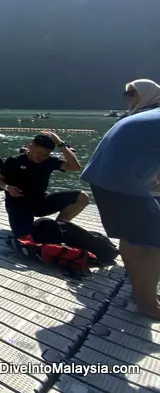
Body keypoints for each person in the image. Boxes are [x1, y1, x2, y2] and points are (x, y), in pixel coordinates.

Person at [80, 106, 160, 317]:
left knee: (132, 237)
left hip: (101, 174)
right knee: (155, 243)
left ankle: (142, 293)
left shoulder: (153, 115)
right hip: (122, 179)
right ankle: (147, 302)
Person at [0, 132, 87, 239]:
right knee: (26, 237)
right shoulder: (14, 161)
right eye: (38, 153)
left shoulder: (49, 161)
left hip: (40, 202)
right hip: (18, 204)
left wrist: (60, 143)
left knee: (83, 198)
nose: (41, 157)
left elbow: (75, 167)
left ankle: (58, 226)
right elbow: (0, 180)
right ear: (30, 146)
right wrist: (8, 188)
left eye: (45, 155)